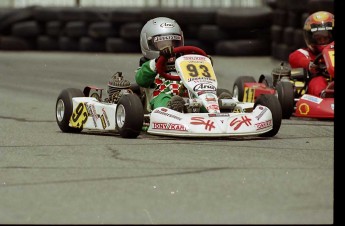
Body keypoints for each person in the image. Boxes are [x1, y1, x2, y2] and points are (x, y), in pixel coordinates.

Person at [135, 17, 187, 112]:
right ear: (148, 44)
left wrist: (202, 62)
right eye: (163, 45)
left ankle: (217, 107)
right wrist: (157, 62)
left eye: (173, 44)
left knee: (201, 95)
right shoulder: (148, 67)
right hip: (160, 96)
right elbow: (141, 80)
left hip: (186, 94)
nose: (170, 48)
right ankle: (171, 109)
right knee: (163, 98)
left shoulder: (183, 63)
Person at [288, 11, 334, 97]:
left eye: (325, 38)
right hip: (320, 81)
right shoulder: (306, 53)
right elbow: (294, 57)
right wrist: (309, 64)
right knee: (317, 81)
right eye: (319, 39)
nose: (322, 41)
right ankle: (325, 96)